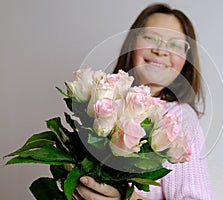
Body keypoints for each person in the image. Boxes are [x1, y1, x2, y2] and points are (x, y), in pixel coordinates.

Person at [73, 3, 212, 200]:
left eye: (175, 44)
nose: (160, 50)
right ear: (132, 43)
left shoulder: (179, 119)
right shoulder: (101, 105)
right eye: (151, 37)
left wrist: (127, 198)